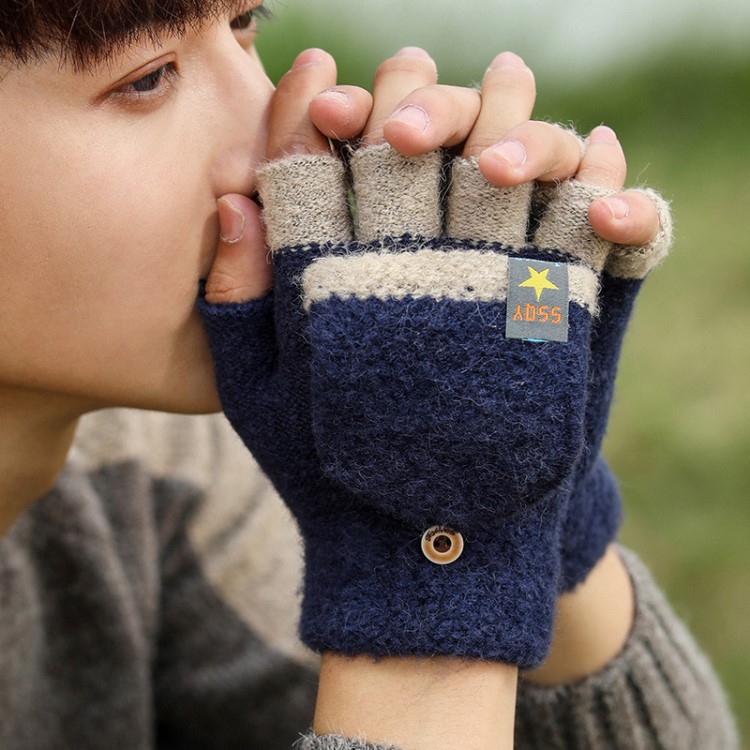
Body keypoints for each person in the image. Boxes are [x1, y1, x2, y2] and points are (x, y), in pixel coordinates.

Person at [0, 2, 738, 748]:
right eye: (149, 77)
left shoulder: (164, 473)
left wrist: (540, 505)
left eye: (245, 23)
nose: (272, 144)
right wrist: (429, 572)